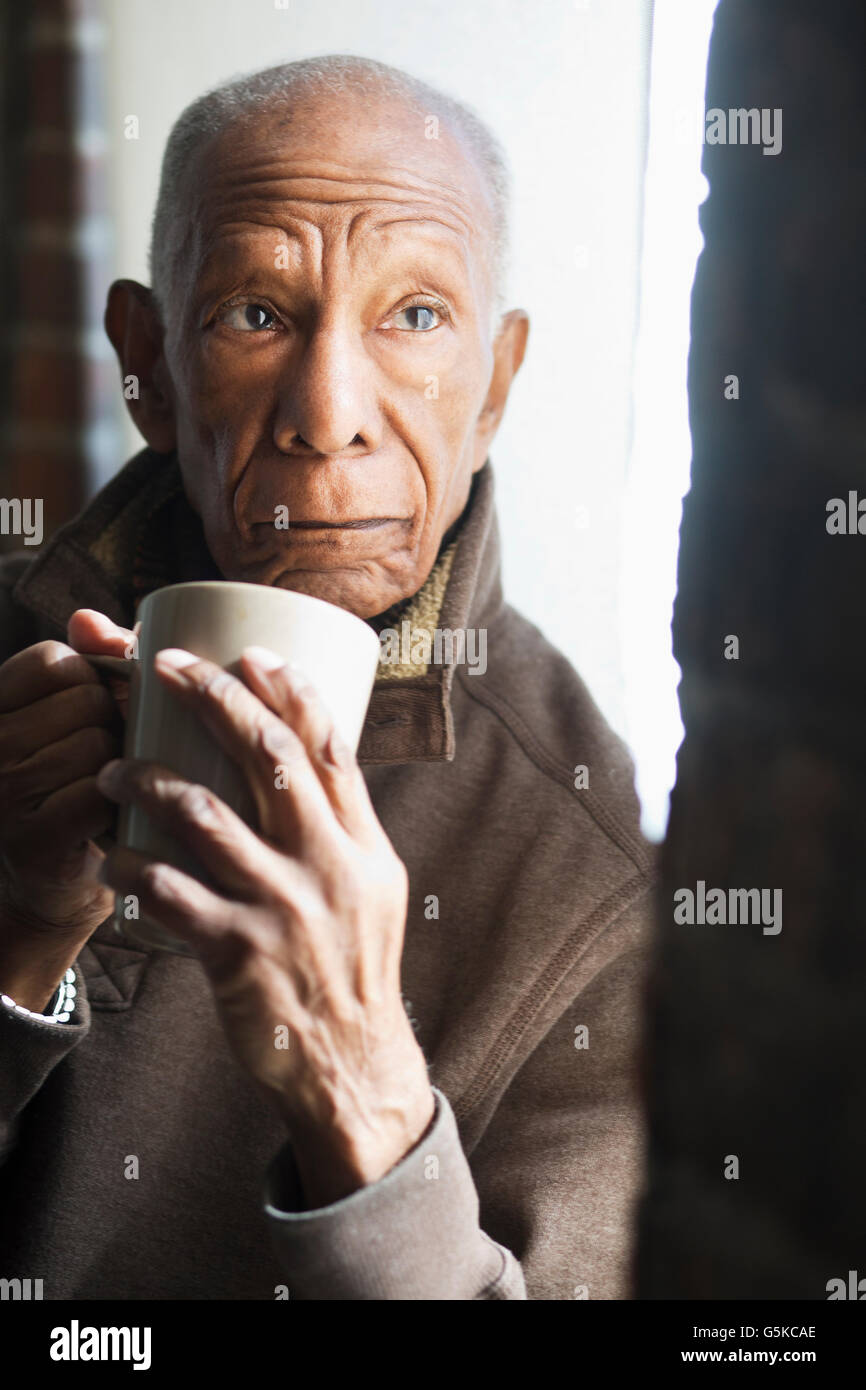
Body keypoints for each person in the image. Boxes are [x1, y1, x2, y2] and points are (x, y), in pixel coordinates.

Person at [0, 55, 655, 1300]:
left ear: (495, 387)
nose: (328, 411)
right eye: (256, 313)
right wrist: (17, 932)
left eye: (414, 318)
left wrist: (361, 1087)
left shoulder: (587, 859)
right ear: (145, 363)